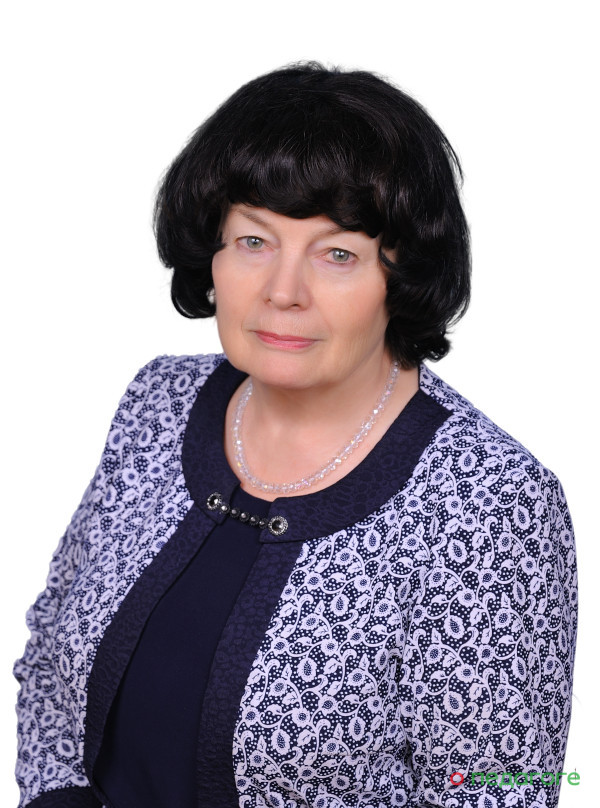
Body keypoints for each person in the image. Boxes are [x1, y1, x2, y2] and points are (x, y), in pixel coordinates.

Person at [14, 62, 577, 808]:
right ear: (212, 253)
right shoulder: (158, 403)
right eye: (254, 241)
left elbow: (500, 790)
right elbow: (52, 668)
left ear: (400, 276)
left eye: (337, 254)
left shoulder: (491, 504)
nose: (283, 291)